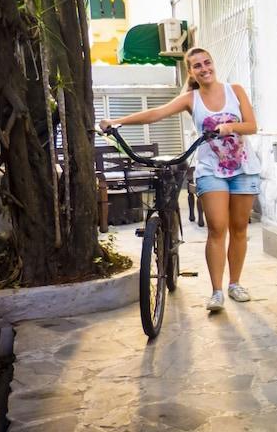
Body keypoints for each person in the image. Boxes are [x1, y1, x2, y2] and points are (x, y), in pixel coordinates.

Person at [99, 47, 262, 312]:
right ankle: (217, 292)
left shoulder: (236, 90)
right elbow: (157, 113)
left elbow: (252, 126)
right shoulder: (191, 98)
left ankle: (235, 284)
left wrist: (230, 127)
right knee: (218, 228)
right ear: (192, 72)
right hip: (211, 170)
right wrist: (118, 121)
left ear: (213, 64)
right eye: (197, 65)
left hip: (244, 168)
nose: (204, 68)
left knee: (240, 228)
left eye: (207, 62)